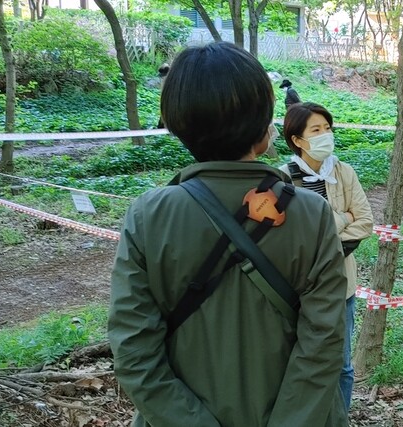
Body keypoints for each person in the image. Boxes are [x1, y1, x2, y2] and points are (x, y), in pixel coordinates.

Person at [108, 42, 349, 427]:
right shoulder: (310, 213)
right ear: (264, 127)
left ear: (177, 124)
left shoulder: (148, 216)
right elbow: (324, 341)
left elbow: (134, 351)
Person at [280, 101, 374, 412]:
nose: (325, 135)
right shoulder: (282, 179)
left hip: (341, 284)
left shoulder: (344, 173)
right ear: (297, 140)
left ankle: (340, 416)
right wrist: (342, 218)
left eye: (328, 128)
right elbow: (289, 237)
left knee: (342, 364)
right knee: (299, 359)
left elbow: (366, 223)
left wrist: (330, 228)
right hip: (297, 288)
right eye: (316, 130)